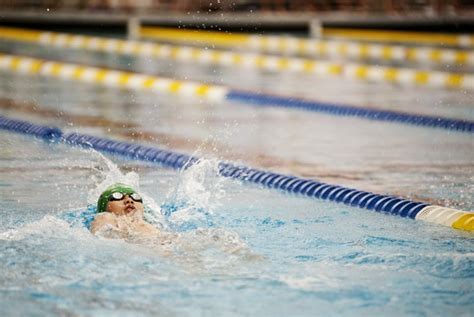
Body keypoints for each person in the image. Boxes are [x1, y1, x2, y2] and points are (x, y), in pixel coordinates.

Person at [91, 183, 160, 238]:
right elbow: (100, 237)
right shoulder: (106, 217)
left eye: (135, 197)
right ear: (104, 207)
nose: (129, 200)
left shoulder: (152, 224)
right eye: (118, 197)